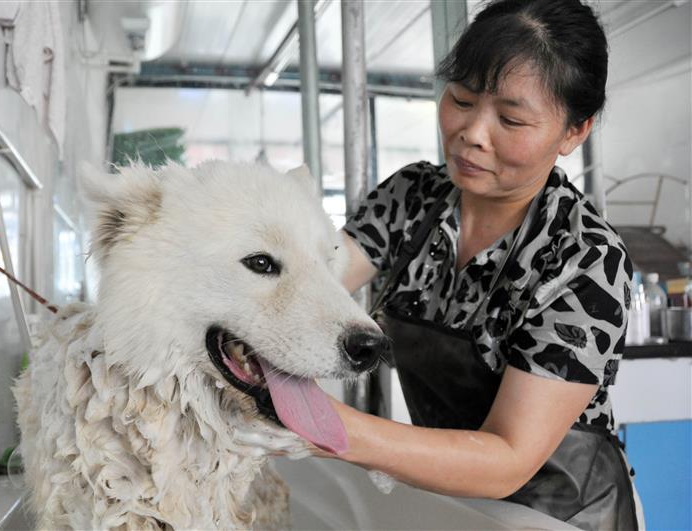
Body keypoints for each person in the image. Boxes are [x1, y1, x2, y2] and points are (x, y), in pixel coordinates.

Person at [237, 0, 642, 529]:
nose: (472, 132)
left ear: (575, 131)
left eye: (511, 119)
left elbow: (508, 459)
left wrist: (326, 426)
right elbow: (308, 286)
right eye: (461, 98)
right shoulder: (412, 199)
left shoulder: (584, 258)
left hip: (560, 516)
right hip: (450, 501)